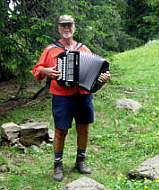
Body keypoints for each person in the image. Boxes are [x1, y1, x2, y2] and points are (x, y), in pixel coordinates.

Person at [32, 15, 110, 181]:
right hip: (61, 97)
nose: (66, 28)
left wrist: (102, 79)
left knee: (84, 129)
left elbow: (95, 76)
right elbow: (37, 70)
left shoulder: (84, 49)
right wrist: (46, 71)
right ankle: (58, 164)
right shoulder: (51, 49)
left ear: (74, 28)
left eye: (69, 25)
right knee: (60, 131)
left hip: (83, 96)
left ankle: (80, 161)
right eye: (63, 26)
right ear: (59, 28)